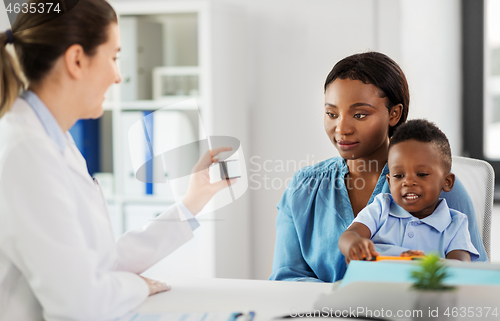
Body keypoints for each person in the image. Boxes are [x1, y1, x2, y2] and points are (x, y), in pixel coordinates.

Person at [0, 1, 235, 320]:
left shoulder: (55, 139)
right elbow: (81, 303)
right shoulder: (23, 151)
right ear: (77, 60)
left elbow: (99, 264)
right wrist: (135, 286)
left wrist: (191, 202)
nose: (118, 76)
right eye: (114, 57)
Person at [269, 52, 488, 283]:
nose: (341, 128)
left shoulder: (436, 187)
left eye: (360, 114)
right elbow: (286, 278)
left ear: (394, 114)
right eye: (331, 114)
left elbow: (473, 278)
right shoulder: (304, 188)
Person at [338, 119, 479, 263]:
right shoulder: (381, 208)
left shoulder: (455, 224)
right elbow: (349, 235)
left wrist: (423, 262)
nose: (408, 182)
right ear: (389, 183)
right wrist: (354, 244)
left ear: (447, 182)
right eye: (399, 176)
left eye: (422, 174)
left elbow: (461, 268)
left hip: (425, 285)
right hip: (376, 284)